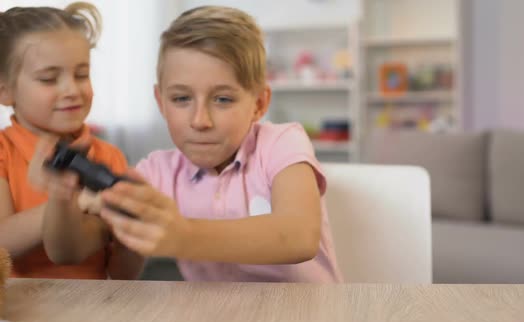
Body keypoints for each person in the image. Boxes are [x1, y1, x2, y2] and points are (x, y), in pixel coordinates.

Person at [50, 5, 342, 282]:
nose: (200, 120)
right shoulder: (156, 172)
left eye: (223, 99)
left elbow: (299, 237)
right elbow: (88, 260)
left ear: (259, 103)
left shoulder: (282, 142)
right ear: (161, 102)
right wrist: (64, 199)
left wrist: (183, 235)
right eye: (181, 99)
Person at [0, 2, 143, 279]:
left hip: (94, 310)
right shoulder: (4, 153)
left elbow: (121, 275)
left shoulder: (108, 157)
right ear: (5, 91)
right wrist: (72, 201)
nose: (72, 90)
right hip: (20, 314)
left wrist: (132, 241)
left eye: (81, 75)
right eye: (49, 78)